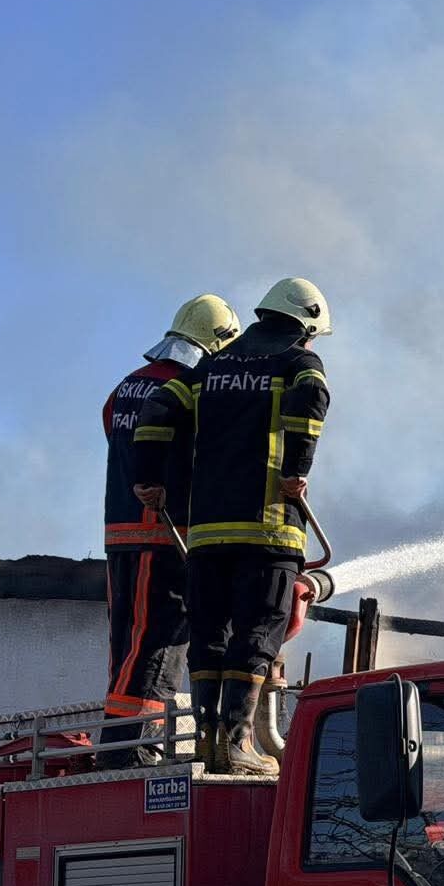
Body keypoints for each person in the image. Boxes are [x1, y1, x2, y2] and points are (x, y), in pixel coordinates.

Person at [132, 277, 331, 776]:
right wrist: (296, 472)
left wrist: (148, 480)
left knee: (209, 636)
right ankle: (239, 744)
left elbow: (157, 409)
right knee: (257, 634)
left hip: (206, 534)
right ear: (306, 324)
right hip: (268, 531)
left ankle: (207, 743)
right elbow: (312, 399)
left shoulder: (211, 366)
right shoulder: (298, 362)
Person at [100, 294, 240, 769]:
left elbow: (116, 440)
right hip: (163, 535)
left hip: (121, 535)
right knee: (158, 645)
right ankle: (131, 751)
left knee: (129, 644)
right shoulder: (186, 387)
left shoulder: (125, 387)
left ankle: (121, 745)